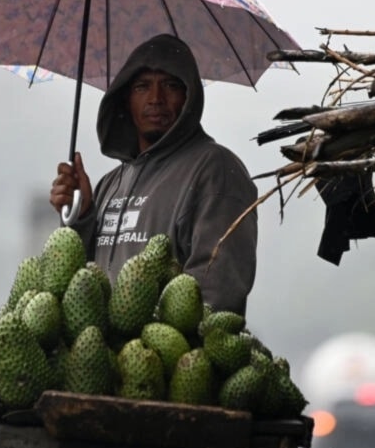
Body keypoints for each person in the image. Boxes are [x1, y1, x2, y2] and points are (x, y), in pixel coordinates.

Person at [49, 34, 257, 315]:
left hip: (172, 358)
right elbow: (83, 288)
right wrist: (81, 216)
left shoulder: (215, 169)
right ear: (125, 100)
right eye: (142, 87)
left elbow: (218, 291)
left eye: (171, 85)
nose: (156, 99)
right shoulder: (110, 183)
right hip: (108, 359)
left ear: (189, 96)